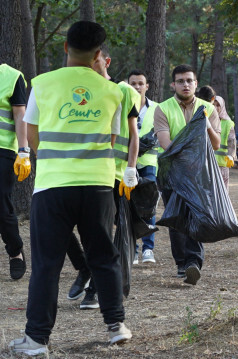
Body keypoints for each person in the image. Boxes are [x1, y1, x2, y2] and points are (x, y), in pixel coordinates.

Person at [9, 21, 132, 356]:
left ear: (65, 47)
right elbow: (112, 137)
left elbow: (31, 133)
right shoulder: (114, 92)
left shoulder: (43, 83)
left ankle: (36, 340)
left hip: (53, 185)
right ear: (98, 55)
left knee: (47, 264)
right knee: (104, 257)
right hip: (98, 187)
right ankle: (115, 326)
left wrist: (50, 158)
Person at [65, 46, 140, 310]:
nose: (89, 66)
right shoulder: (81, 93)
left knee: (102, 234)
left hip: (114, 174)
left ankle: (94, 290)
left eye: (94, 61)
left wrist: (131, 169)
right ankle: (84, 268)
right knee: (64, 229)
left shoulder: (123, 91)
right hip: (81, 172)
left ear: (105, 61)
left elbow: (133, 135)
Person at [154, 64, 221, 286]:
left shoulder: (208, 108)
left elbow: (216, 143)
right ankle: (181, 262)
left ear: (195, 83)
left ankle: (193, 262)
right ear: (173, 84)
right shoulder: (163, 109)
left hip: (200, 173)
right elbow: (166, 144)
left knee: (195, 214)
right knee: (176, 218)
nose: (185, 84)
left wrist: (205, 124)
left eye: (189, 80)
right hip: (172, 172)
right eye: (181, 81)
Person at [0, 63, 28, 280]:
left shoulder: (12, 76)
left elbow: (20, 115)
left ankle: (15, 251)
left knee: (2, 205)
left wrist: (23, 150)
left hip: (3, 150)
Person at [128, 69, 158, 264]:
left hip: (149, 164)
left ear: (147, 86)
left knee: (149, 206)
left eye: (141, 83)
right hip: (127, 162)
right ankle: (133, 248)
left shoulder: (157, 108)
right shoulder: (121, 106)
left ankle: (148, 248)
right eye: (133, 83)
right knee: (129, 206)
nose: (137, 87)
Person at [196, 86, 236, 189]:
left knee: (222, 192)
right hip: (205, 164)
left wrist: (231, 155)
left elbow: (231, 141)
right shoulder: (202, 118)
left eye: (219, 105)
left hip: (221, 164)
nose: (216, 108)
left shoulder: (227, 123)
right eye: (214, 105)